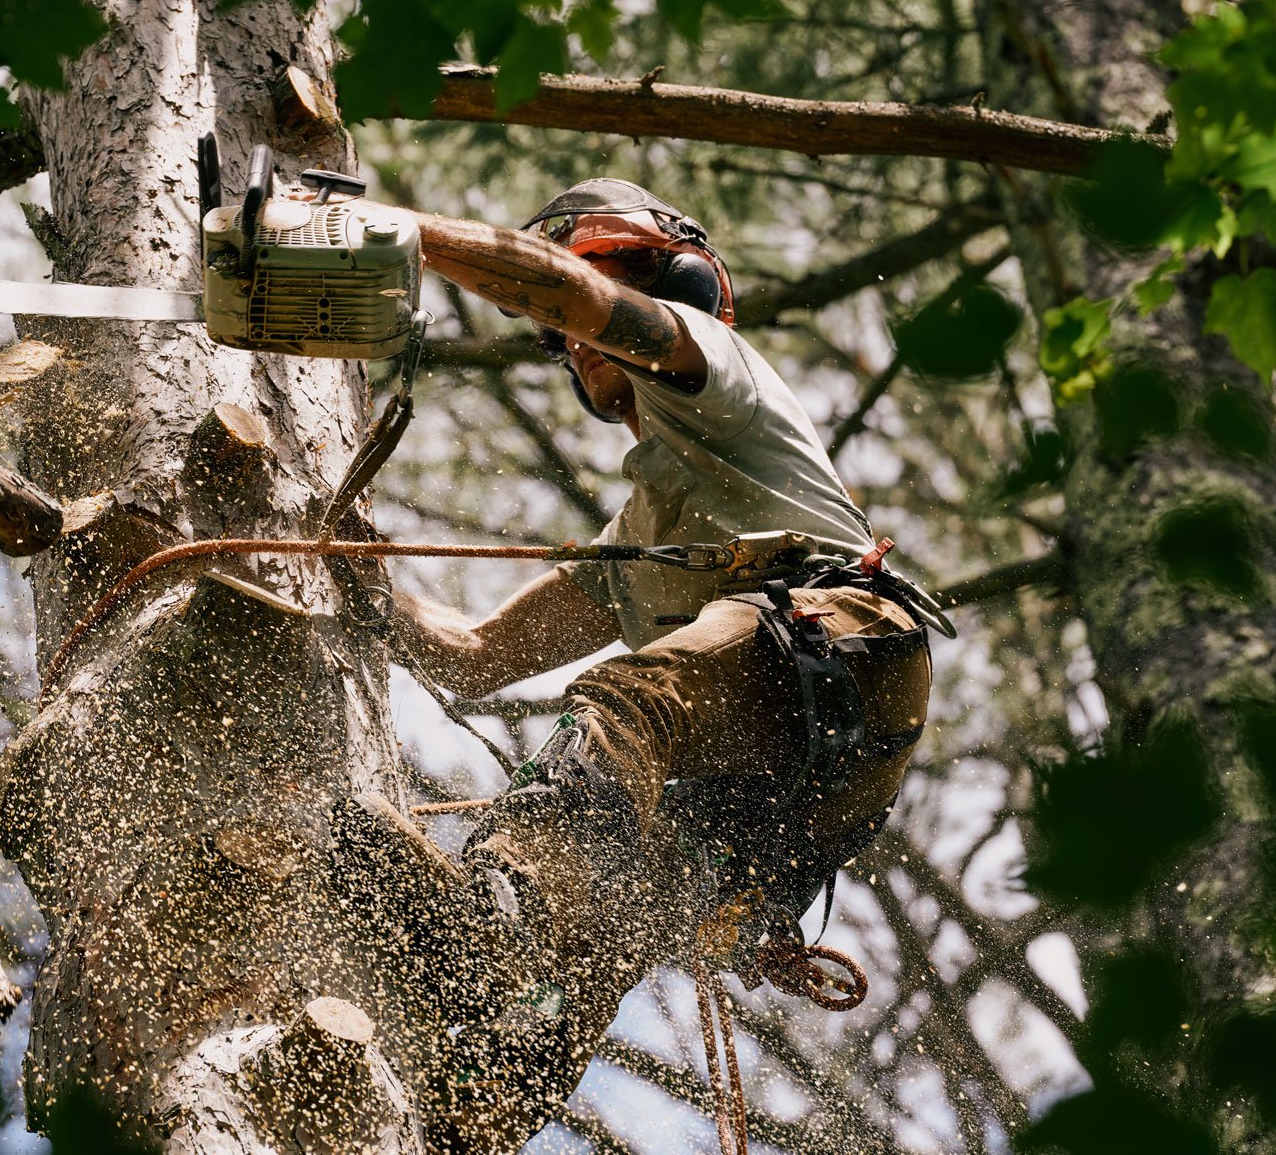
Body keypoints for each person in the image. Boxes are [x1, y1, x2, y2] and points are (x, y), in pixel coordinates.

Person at [353, 179, 936, 1148]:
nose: (570, 335)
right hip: (782, 800)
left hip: (843, 641)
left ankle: (496, 911)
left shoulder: (713, 362)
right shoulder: (638, 537)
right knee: (608, 919)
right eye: (559, 331)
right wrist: (359, 586)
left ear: (674, 281)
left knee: (630, 699)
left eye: (604, 281)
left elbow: (573, 296)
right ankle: (476, 1107)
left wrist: (402, 234)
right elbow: (478, 655)